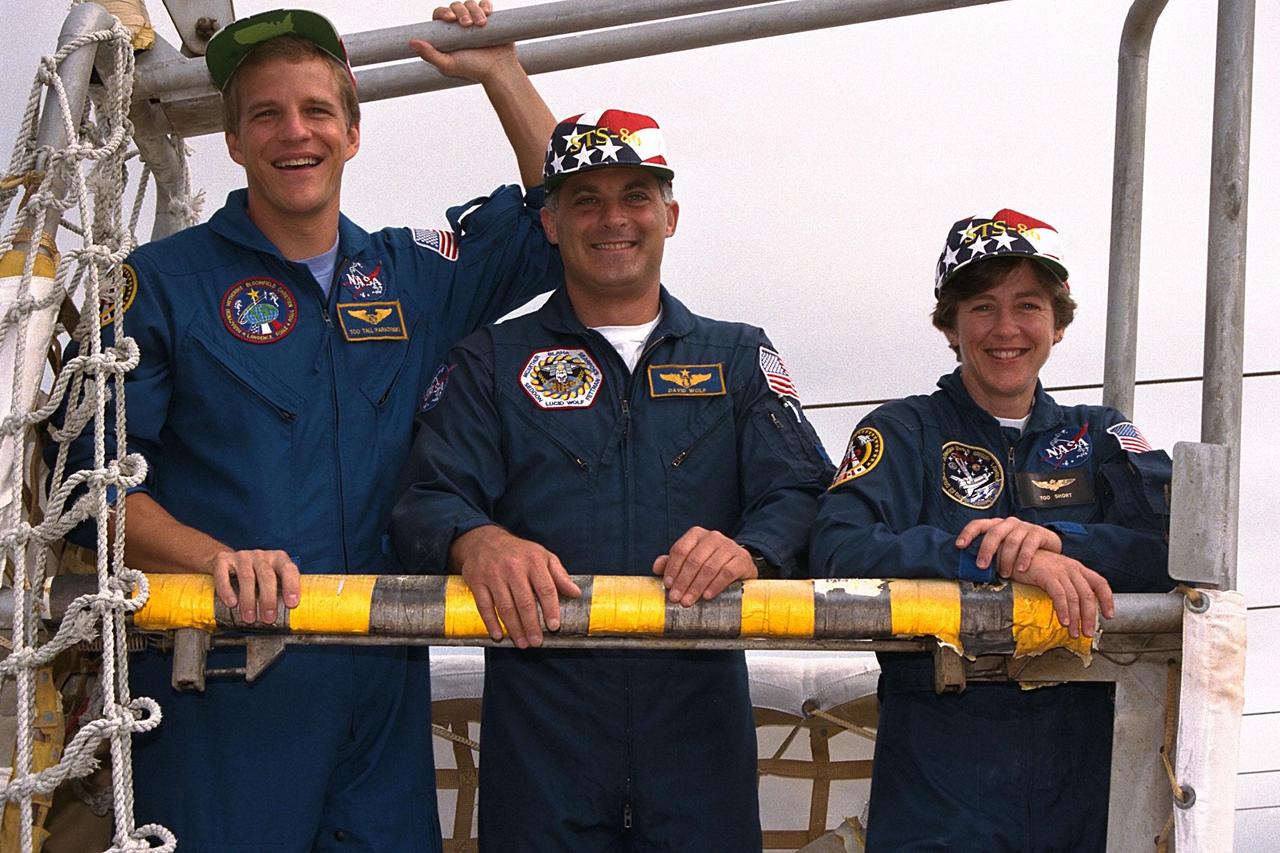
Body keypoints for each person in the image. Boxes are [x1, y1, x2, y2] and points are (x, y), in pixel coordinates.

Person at [55, 4, 558, 851]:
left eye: (318, 111)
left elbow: (557, 214)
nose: (297, 133)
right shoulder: (158, 286)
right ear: (235, 141)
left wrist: (503, 71)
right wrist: (211, 557)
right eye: (267, 114)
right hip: (219, 683)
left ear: (352, 133)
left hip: (382, 688)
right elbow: (88, 495)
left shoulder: (407, 276)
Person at [391, 108, 834, 852]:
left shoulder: (738, 358)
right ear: (551, 224)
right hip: (541, 745)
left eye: (635, 195)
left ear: (670, 214)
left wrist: (750, 550)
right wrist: (477, 540)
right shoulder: (488, 362)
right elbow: (424, 498)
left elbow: (808, 492)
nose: (613, 219)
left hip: (700, 744)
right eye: (585, 200)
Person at [810, 209, 1175, 851]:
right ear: (949, 325)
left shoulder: (1104, 435)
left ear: (1059, 323)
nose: (1006, 329)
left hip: (1091, 776)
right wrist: (994, 556)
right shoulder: (901, 432)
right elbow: (837, 548)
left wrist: (1061, 542)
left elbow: (1177, 552)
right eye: (981, 307)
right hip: (940, 784)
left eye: (1028, 306)